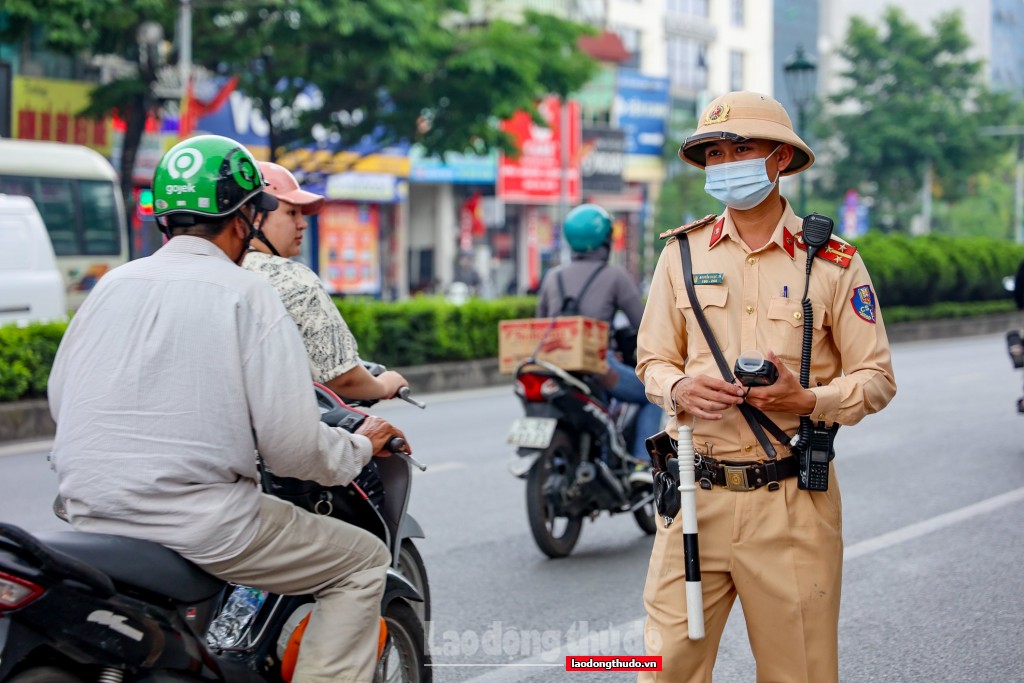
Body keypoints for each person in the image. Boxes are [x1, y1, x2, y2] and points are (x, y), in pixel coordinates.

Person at [48, 134, 406, 682]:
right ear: (244, 219)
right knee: (360, 562)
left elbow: (61, 398)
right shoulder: (246, 294)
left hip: (86, 514)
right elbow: (291, 449)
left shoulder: (111, 286)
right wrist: (357, 446)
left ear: (165, 221)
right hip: (203, 526)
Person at [635, 91, 897, 682]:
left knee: (798, 673)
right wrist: (678, 388)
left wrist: (807, 400)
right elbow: (652, 359)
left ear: (779, 158)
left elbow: (877, 379)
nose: (727, 162)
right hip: (694, 496)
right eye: (715, 152)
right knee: (659, 667)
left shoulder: (833, 262)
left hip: (791, 505)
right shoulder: (679, 253)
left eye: (742, 148)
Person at [241, 161, 407, 402]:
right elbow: (344, 378)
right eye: (291, 213)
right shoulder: (291, 278)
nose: (303, 224)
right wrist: (384, 385)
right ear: (254, 217)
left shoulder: (211, 270)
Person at [535, 203, 662, 465]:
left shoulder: (552, 277)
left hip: (554, 368)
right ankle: (642, 462)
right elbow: (644, 324)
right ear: (605, 240)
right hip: (599, 366)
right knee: (655, 393)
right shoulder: (614, 275)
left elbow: (540, 325)